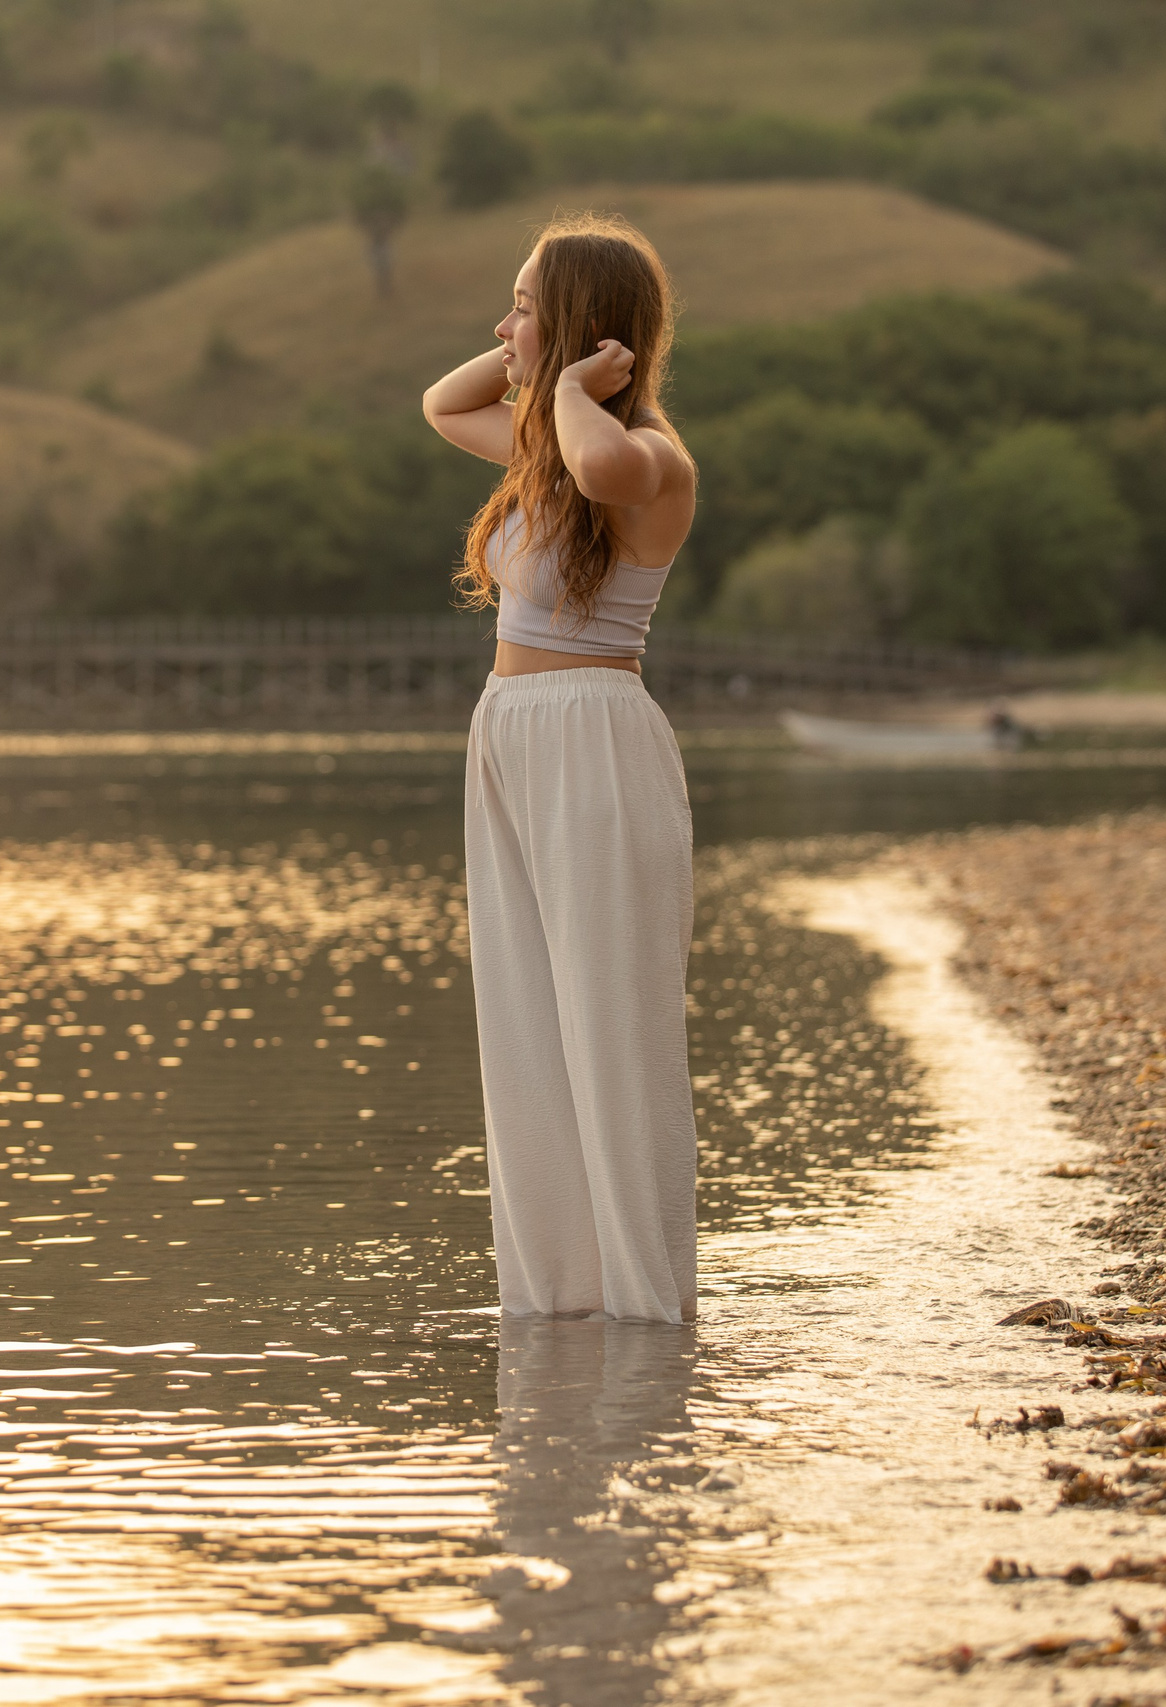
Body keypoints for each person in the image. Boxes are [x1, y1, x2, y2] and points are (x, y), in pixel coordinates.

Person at [421, 213, 698, 1325]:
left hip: (593, 737)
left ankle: (649, 1315)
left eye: (523, 306)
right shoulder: (541, 440)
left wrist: (575, 380)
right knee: (526, 1022)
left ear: (585, 329)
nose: (502, 327)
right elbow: (442, 405)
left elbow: (596, 458)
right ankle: (560, 1312)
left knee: (610, 1024)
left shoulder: (648, 459)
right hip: (510, 730)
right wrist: (535, 349)